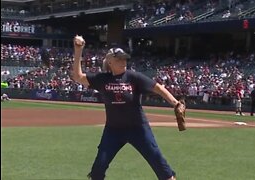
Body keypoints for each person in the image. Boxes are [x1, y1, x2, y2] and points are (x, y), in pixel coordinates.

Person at [71, 35, 184, 180]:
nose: (123, 61)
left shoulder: (134, 77)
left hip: (138, 128)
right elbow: (78, 77)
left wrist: (176, 103)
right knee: (98, 168)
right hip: (113, 130)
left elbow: (158, 88)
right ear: (110, 61)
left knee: (159, 163)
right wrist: (78, 50)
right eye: (119, 59)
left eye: (124, 58)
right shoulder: (102, 79)